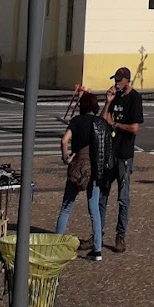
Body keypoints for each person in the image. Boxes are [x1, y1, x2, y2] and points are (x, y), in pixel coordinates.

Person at [55, 91, 108, 260]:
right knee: (94, 210)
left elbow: (64, 140)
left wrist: (66, 158)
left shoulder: (76, 121)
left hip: (77, 167)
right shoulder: (99, 123)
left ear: (82, 106)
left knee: (66, 208)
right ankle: (97, 250)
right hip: (93, 170)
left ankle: (57, 245)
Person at [100, 66, 143, 252]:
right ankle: (97, 233)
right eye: (115, 79)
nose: (116, 82)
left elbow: (134, 129)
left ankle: (120, 235)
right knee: (101, 196)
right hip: (109, 152)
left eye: (119, 79)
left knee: (123, 197)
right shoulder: (115, 96)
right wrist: (108, 102)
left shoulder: (135, 98)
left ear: (127, 80)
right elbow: (103, 120)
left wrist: (115, 124)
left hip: (124, 154)